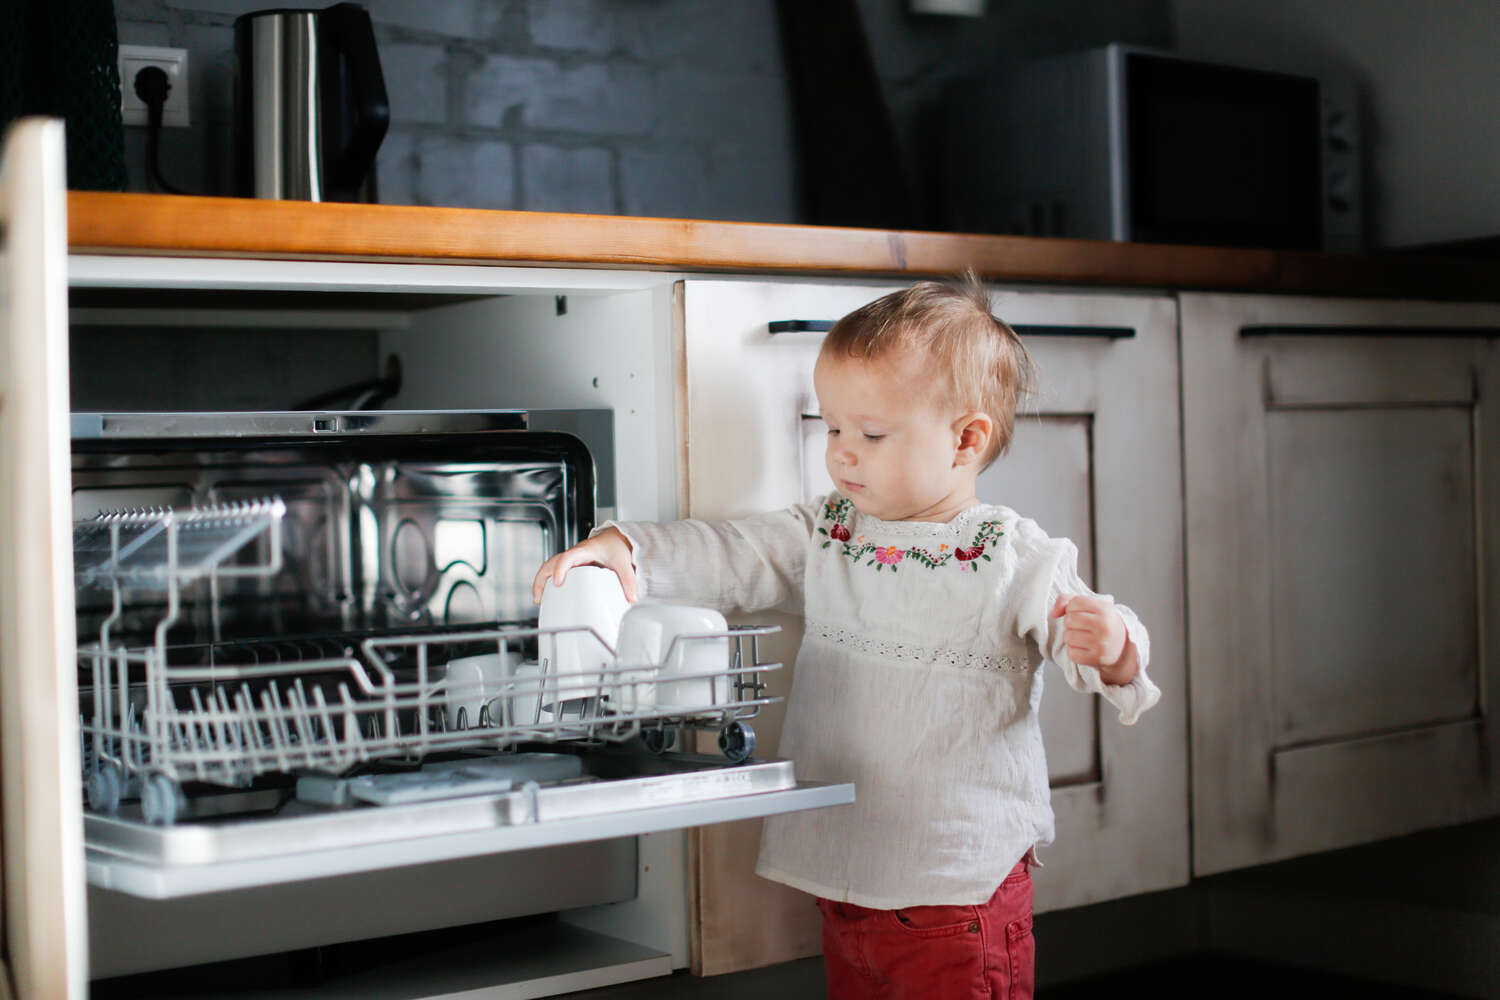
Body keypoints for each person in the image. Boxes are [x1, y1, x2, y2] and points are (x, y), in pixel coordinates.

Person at [532, 274, 1160, 1000]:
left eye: (870, 433)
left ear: (965, 439)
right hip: (849, 880)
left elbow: (1106, 643)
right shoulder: (831, 531)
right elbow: (736, 553)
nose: (842, 453)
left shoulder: (1010, 557)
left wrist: (1113, 646)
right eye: (832, 428)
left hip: (958, 893)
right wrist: (627, 548)